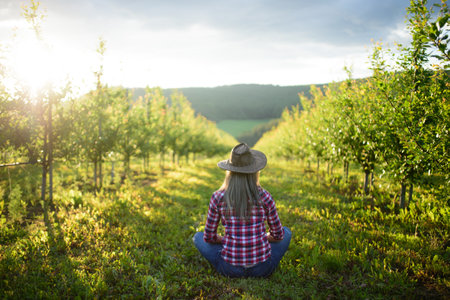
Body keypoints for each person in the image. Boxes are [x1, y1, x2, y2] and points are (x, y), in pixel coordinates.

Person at [193, 143, 291, 277]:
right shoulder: (265, 197)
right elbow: (278, 235)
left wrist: (227, 240)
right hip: (262, 269)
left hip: (230, 269)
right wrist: (261, 238)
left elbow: (209, 237)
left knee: (198, 237)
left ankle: (229, 260)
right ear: (254, 172)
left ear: (230, 171)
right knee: (287, 232)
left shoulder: (218, 197)